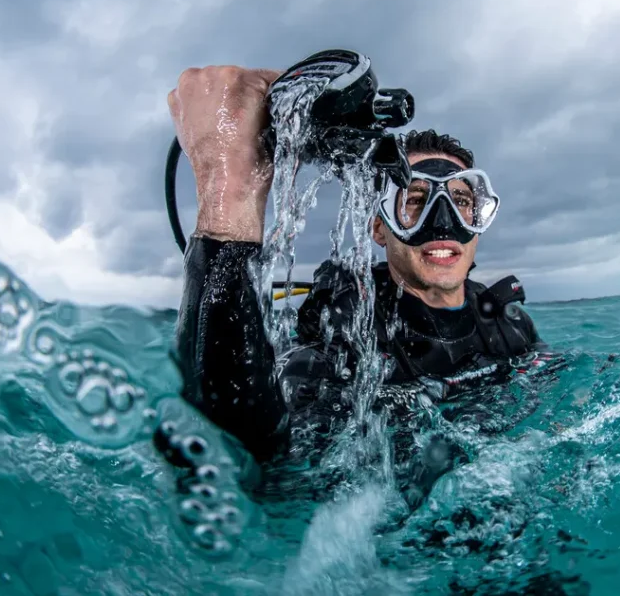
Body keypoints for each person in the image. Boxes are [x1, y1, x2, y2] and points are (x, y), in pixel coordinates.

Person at [157, 65, 561, 495]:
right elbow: (253, 464)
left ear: (480, 219)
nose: (443, 225)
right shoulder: (344, 344)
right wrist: (230, 194)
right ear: (378, 227)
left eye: (461, 201)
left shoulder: (511, 328)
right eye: (416, 201)